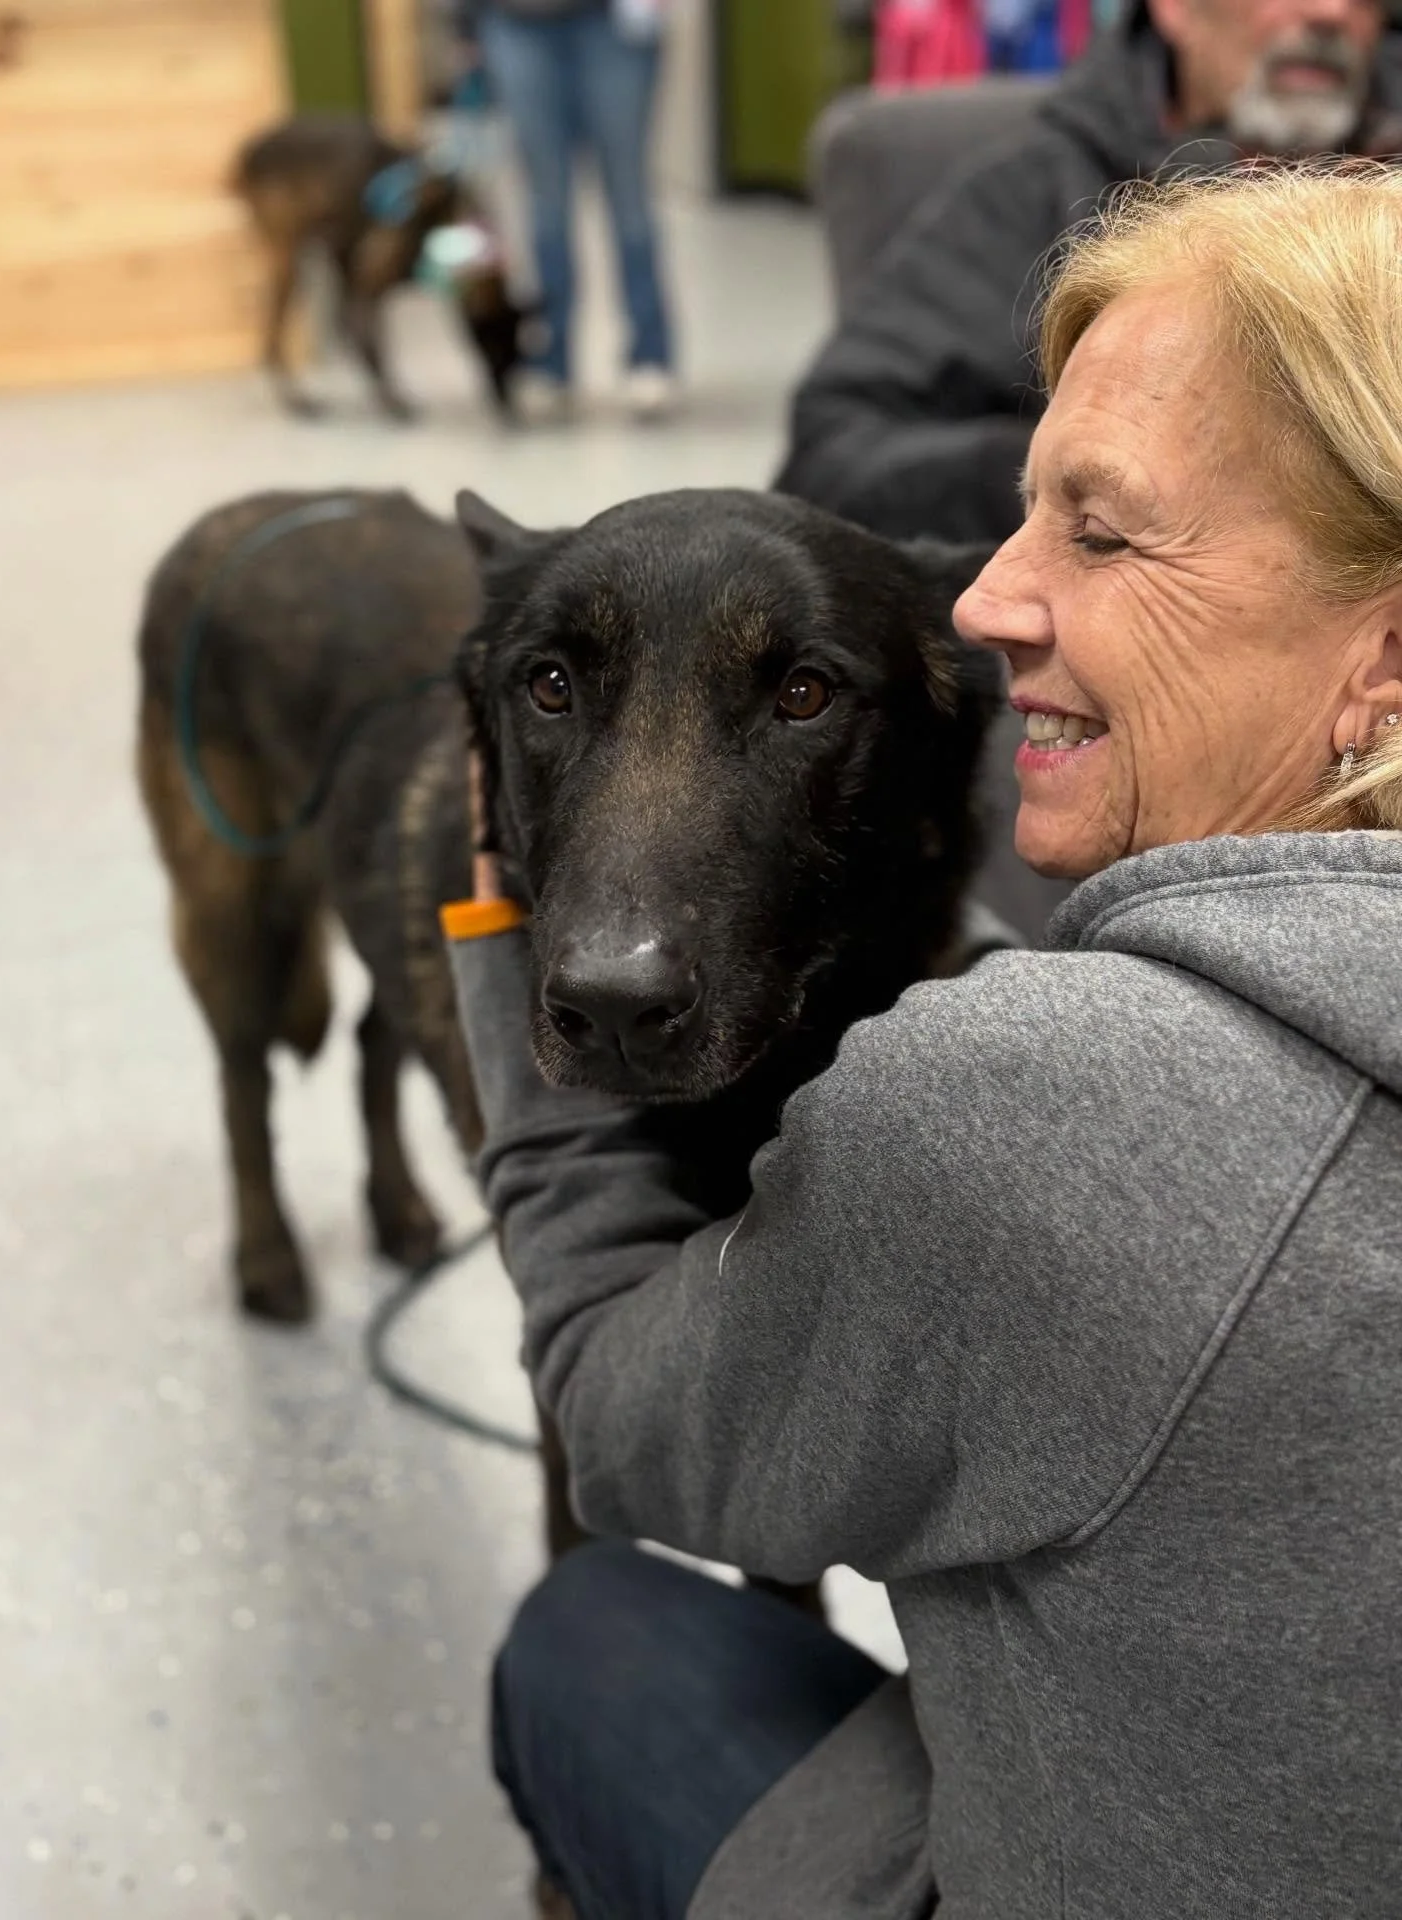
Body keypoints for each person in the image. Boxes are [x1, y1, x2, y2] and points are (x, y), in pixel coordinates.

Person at [443, 164, 1402, 1919]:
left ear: (1386, 652)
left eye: (1101, 532)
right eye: (1025, 512)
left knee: (596, 1627)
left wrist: (514, 965)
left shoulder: (1023, 1114)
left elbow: (619, 1421)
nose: (977, 603)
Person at [776, 0, 1402, 542]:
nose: (1331, 12)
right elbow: (834, 451)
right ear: (1175, 8)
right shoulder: (1046, 189)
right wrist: (1080, 470)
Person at [458, 0, 676, 421]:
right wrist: (463, 24)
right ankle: (552, 359)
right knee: (546, 206)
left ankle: (650, 355)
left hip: (613, 25)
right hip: (514, 23)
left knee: (630, 198)